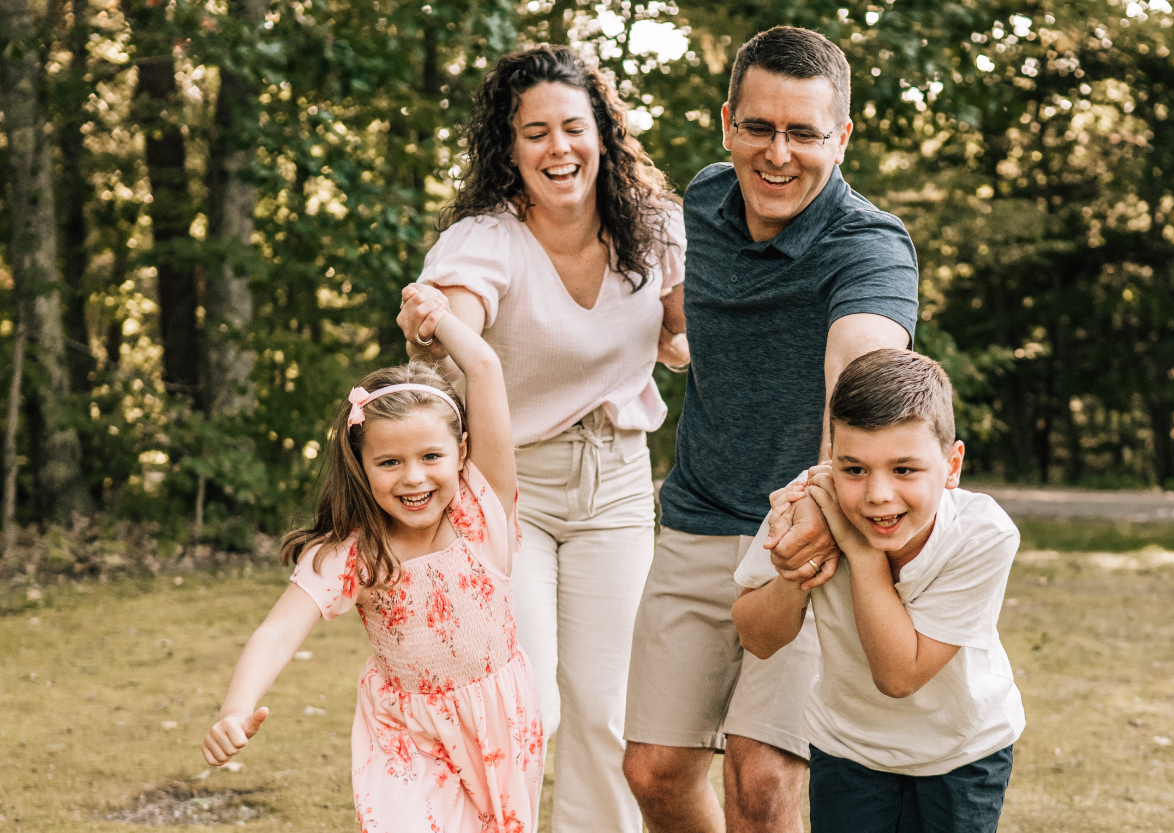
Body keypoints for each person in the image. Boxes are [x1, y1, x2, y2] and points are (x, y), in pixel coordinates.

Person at [622, 26, 918, 833]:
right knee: (654, 771)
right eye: (758, 127)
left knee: (762, 777)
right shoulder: (702, 206)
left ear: (842, 138)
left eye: (803, 133)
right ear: (727, 125)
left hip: (809, 530)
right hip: (697, 515)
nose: (778, 154)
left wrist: (822, 502)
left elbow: (862, 371)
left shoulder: (870, 245)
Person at [397, 45, 686, 833]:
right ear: (510, 146)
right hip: (508, 486)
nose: (559, 148)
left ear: (603, 134)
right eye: (535, 133)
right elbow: (455, 324)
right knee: (523, 703)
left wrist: (690, 340)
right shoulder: (485, 241)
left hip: (617, 482)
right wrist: (432, 324)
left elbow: (691, 328)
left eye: (573, 127)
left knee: (608, 709)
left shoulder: (655, 229)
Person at [201, 288, 544, 831]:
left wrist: (437, 317)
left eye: (431, 456)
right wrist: (235, 709)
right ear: (360, 464)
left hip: (499, 721)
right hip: (404, 731)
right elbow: (278, 632)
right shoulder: (354, 553)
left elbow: (483, 366)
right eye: (389, 462)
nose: (413, 477)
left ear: (462, 451)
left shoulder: (482, 510)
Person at [732, 348, 1025, 832]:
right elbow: (756, 638)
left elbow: (898, 676)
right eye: (854, 469)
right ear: (831, 463)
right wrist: (795, 569)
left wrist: (860, 550)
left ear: (952, 465)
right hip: (848, 749)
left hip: (961, 753)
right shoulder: (811, 504)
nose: (877, 495)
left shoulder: (982, 534)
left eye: (904, 469)